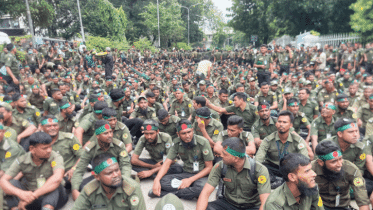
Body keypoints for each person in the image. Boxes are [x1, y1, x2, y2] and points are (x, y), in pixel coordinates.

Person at [197, 137, 271, 210]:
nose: (221, 155)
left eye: (225, 154)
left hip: (251, 206)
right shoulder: (220, 166)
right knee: (207, 207)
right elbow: (205, 193)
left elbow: (265, 201)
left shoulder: (259, 170)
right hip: (228, 203)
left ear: (236, 158)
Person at [0, 132, 68, 210]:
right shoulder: (22, 160)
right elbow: (3, 180)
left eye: (50, 147)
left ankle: (47, 208)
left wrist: (34, 195)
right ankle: (16, 208)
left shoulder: (55, 157)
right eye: (45, 148)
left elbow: (57, 178)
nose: (49, 150)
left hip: (56, 199)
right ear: (32, 149)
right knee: (11, 183)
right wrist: (20, 193)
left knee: (54, 184)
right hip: (30, 198)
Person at [150, 119, 214, 200]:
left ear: (193, 130)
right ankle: (187, 191)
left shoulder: (203, 142)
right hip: (186, 173)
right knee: (163, 181)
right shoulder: (176, 143)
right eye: (183, 133)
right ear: (178, 134)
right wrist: (156, 180)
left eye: (189, 132)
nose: (187, 136)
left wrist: (190, 180)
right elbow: (167, 163)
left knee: (201, 190)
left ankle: (168, 193)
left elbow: (209, 167)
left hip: (201, 175)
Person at [71, 120, 132, 201]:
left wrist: (125, 180)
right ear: (97, 136)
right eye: (105, 133)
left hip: (116, 175)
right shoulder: (91, 149)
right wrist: (74, 190)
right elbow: (79, 170)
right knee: (83, 188)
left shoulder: (119, 145)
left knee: (128, 189)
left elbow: (125, 165)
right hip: (100, 176)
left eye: (110, 132)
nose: (110, 135)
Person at [73, 153, 146, 209]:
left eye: (117, 170)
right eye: (109, 173)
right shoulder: (89, 190)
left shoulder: (132, 188)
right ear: (97, 176)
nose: (115, 175)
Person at [256, 110, 309, 187]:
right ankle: (276, 181)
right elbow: (258, 159)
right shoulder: (268, 140)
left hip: (289, 168)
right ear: (276, 124)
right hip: (272, 167)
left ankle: (281, 182)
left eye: (284, 122)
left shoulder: (298, 141)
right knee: (261, 167)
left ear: (291, 125)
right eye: (279, 122)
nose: (281, 124)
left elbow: (305, 160)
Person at [313, 140, 370, 210]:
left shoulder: (351, 169)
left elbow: (363, 201)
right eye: (333, 161)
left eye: (340, 159)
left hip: (341, 205)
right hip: (319, 205)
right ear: (321, 162)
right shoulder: (311, 169)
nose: (340, 164)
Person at [39, 115, 82, 187]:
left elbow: (82, 156)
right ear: (41, 127)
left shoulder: (69, 138)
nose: (52, 128)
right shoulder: (38, 142)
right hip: (49, 175)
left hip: (67, 174)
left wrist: (74, 169)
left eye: (55, 125)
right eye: (48, 126)